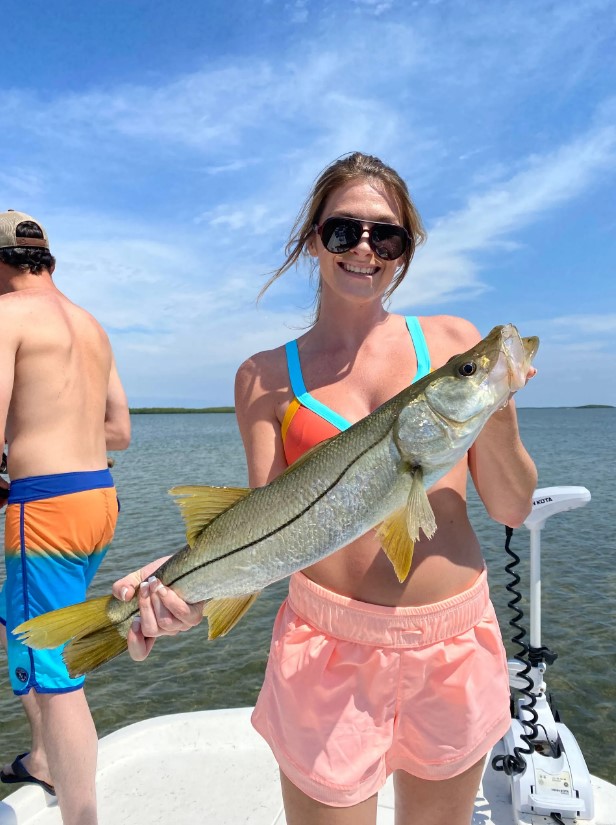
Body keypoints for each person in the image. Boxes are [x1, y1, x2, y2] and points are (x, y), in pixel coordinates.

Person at [112, 152, 537, 825]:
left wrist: (495, 402)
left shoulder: (453, 342)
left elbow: (512, 506)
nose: (365, 249)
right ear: (315, 239)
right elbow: (263, 527)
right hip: (325, 647)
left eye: (386, 235)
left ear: (404, 250)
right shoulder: (260, 376)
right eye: (344, 231)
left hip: (452, 640)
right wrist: (185, 589)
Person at [0, 210, 131, 825]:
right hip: (98, 499)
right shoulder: (91, 325)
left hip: (44, 510)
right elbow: (120, 432)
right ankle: (43, 756)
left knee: (55, 670)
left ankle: (80, 815)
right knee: (16, 618)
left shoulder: (6, 317)